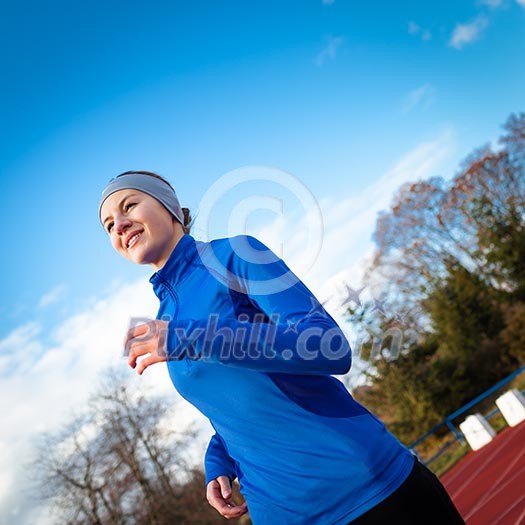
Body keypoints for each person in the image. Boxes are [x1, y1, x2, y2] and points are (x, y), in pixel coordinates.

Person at [99, 170, 465, 524]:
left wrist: (194, 335)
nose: (119, 224)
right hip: (279, 513)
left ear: (171, 208)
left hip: (366, 492)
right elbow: (242, 400)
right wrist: (219, 461)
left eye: (129, 205)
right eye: (109, 224)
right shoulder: (167, 316)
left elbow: (328, 347)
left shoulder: (233, 255)